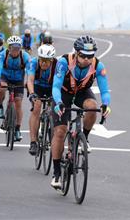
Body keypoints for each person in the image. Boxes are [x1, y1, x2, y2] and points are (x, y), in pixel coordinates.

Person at [50, 35, 111, 189]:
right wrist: (58, 103)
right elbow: (56, 86)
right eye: (83, 56)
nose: (87, 60)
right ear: (76, 53)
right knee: (60, 132)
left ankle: (84, 138)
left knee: (92, 106)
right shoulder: (64, 62)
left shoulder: (98, 65)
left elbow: (104, 90)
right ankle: (56, 173)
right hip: (63, 93)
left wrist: (106, 105)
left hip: (82, 92)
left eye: (90, 56)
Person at [0, 35, 30, 142]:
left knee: (18, 103)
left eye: (17, 48)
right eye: (13, 48)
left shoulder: (25, 56)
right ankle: (0, 107)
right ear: (9, 48)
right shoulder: (3, 55)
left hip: (18, 79)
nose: (15, 50)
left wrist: (28, 82)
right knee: (2, 88)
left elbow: (30, 70)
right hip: (5, 77)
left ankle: (17, 129)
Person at [26, 45, 57, 155]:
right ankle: (33, 142)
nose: (43, 63)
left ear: (52, 60)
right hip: (37, 88)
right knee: (37, 107)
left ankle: (49, 128)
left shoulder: (58, 65)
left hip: (52, 88)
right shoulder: (33, 62)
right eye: (41, 60)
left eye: (46, 61)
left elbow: (60, 83)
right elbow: (30, 80)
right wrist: (32, 94)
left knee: (54, 109)